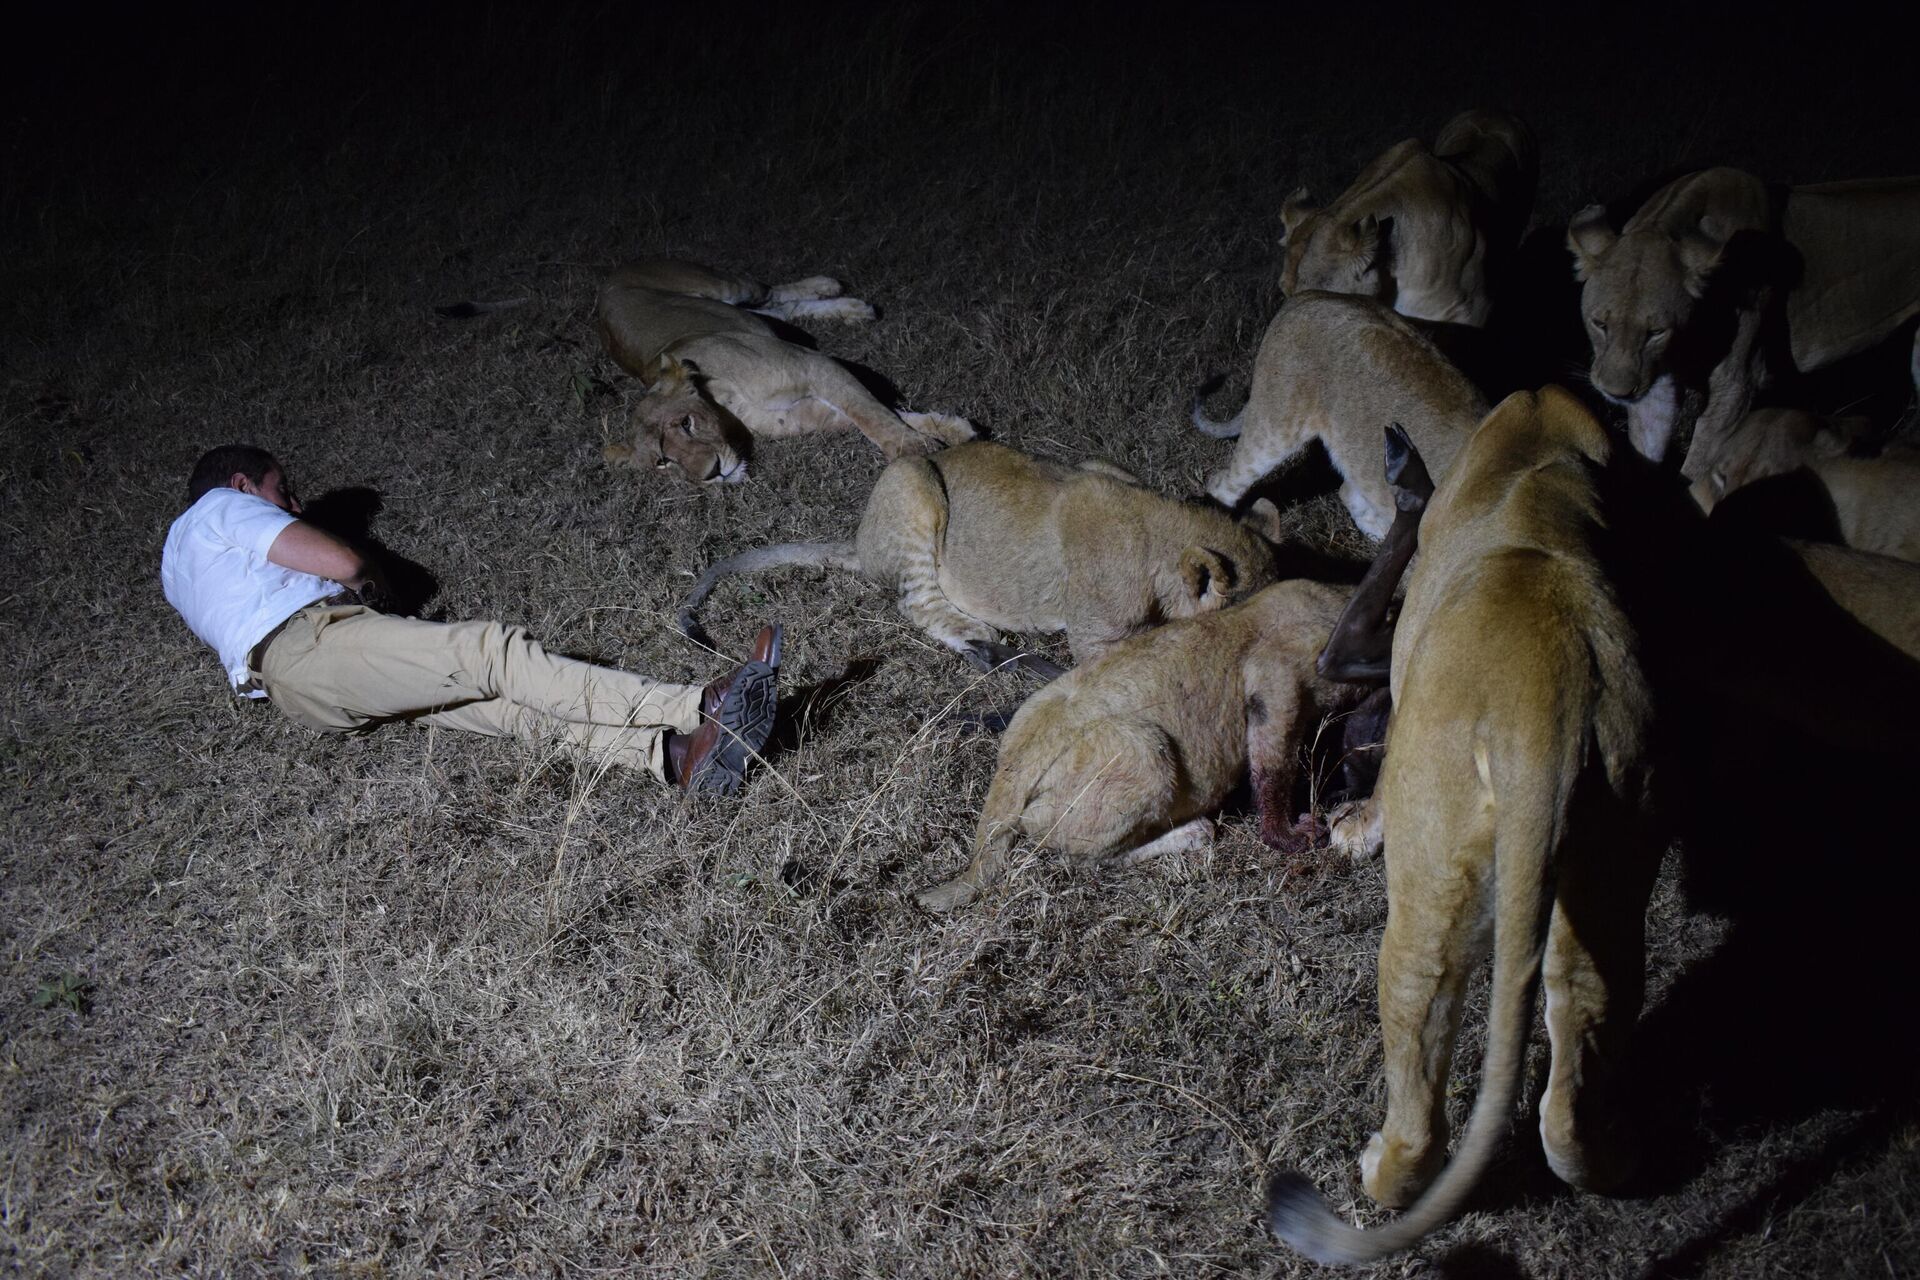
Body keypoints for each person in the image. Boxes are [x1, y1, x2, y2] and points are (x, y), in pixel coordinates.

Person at [160, 444, 781, 794]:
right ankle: (698, 707)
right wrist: (367, 579)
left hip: (298, 694)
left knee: (505, 710)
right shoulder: (221, 507)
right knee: (491, 653)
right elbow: (343, 560)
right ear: (241, 484)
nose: (293, 506)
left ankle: (674, 757)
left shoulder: (176, 565)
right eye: (282, 491)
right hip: (313, 647)